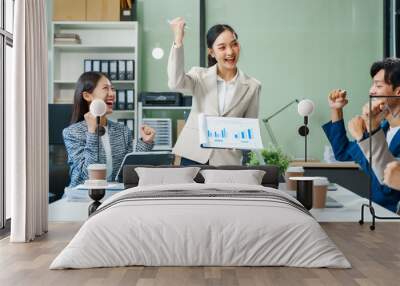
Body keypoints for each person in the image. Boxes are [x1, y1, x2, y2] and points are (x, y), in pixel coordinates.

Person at [167, 17, 261, 166]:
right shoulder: (199, 76)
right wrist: (178, 40)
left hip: (227, 161)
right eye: (222, 47)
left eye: (234, 44)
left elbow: (249, 128)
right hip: (193, 155)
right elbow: (175, 83)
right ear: (212, 53)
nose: (230, 52)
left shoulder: (253, 86)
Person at [322, 58, 400, 212]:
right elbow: (342, 153)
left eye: (378, 85)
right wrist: (336, 110)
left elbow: (389, 184)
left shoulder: (377, 130)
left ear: (398, 91)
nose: (371, 90)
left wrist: (366, 136)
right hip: (374, 212)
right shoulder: (383, 128)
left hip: (391, 218)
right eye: (372, 84)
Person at [63, 72, 156, 187]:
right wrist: (92, 133)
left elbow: (130, 169)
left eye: (112, 89)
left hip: (113, 195)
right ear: (87, 96)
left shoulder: (122, 130)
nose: (112, 93)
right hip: (81, 197)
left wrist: (146, 142)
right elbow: (86, 175)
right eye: (105, 88)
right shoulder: (72, 133)